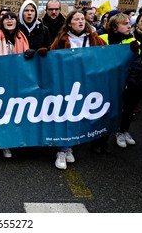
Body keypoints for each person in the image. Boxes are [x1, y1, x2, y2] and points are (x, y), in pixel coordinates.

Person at [50, 10, 107, 169]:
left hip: (88, 84)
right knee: (66, 115)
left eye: (83, 19)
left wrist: (128, 50)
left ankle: (70, 147)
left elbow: (109, 54)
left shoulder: (95, 38)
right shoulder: (62, 39)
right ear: (69, 23)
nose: (81, 21)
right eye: (77, 19)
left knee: (77, 116)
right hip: (66, 83)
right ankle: (62, 150)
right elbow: (51, 55)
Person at [0, 11, 32, 159]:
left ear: (17, 22)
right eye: (6, 19)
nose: (9, 21)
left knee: (12, 113)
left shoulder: (22, 38)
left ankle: (8, 143)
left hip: (17, 81)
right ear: (2, 22)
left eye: (12, 18)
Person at [110, 12, 142, 148]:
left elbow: (136, 63)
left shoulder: (133, 42)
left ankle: (123, 131)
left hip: (137, 79)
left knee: (130, 108)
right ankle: (111, 133)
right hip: (114, 82)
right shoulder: (105, 37)